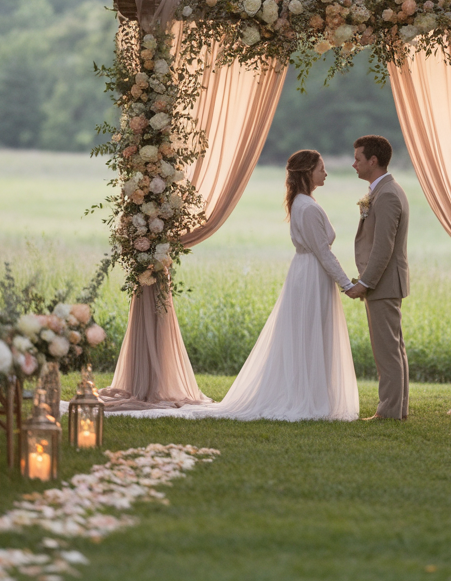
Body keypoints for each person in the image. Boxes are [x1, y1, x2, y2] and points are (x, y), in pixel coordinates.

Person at [113, 149, 360, 422]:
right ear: (307, 173)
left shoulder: (301, 204)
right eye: (321, 168)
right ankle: (308, 397)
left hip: (307, 273)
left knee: (308, 333)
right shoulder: (308, 207)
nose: (325, 173)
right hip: (311, 274)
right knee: (310, 332)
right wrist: (347, 284)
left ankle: (310, 392)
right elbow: (323, 252)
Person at [345, 135, 410, 421]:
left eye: (358, 158)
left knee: (388, 351)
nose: (353, 164)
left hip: (383, 284)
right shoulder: (383, 191)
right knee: (393, 347)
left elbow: (383, 247)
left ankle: (389, 411)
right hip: (384, 284)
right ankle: (397, 409)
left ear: (373, 160)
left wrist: (364, 283)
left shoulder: (387, 195)